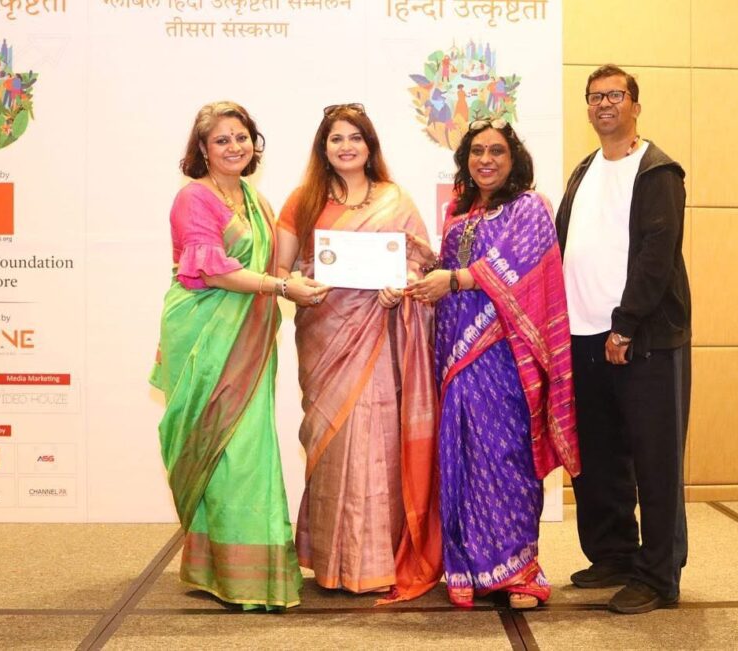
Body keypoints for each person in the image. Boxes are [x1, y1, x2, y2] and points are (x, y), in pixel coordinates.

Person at [150, 101, 327, 610]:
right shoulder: (193, 199)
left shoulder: (255, 200)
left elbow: (276, 263)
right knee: (224, 449)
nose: (234, 147)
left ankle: (233, 568)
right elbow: (212, 270)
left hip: (248, 335)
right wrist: (281, 287)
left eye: (241, 137)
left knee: (246, 450)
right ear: (203, 150)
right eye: (222, 140)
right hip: (204, 337)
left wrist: (302, 277)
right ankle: (236, 576)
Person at [406, 119, 580, 610]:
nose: (486, 160)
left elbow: (517, 268)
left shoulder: (530, 207)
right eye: (477, 151)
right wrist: (418, 265)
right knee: (462, 454)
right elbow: (446, 272)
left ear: (513, 158)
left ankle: (519, 570)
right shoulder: (459, 214)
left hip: (506, 356)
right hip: (457, 360)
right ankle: (470, 567)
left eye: (497, 151)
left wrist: (455, 279)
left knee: (506, 456)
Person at [275, 103, 442, 603]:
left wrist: (401, 285)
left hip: (379, 340)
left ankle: (376, 562)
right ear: (323, 148)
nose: (346, 146)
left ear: (370, 146)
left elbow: (420, 264)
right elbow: (281, 271)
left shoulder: (395, 199)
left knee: (377, 444)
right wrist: (296, 287)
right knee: (334, 444)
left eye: (355, 138)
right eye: (336, 138)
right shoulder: (303, 201)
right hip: (326, 339)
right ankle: (332, 563)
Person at [555, 64, 692, 614]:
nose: (604, 104)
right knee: (598, 458)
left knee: (656, 461)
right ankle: (613, 553)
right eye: (595, 96)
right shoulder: (585, 169)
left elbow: (657, 256)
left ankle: (659, 576)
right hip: (582, 338)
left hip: (642, 338)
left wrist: (625, 325)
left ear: (636, 105)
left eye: (615, 95)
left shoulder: (658, 170)